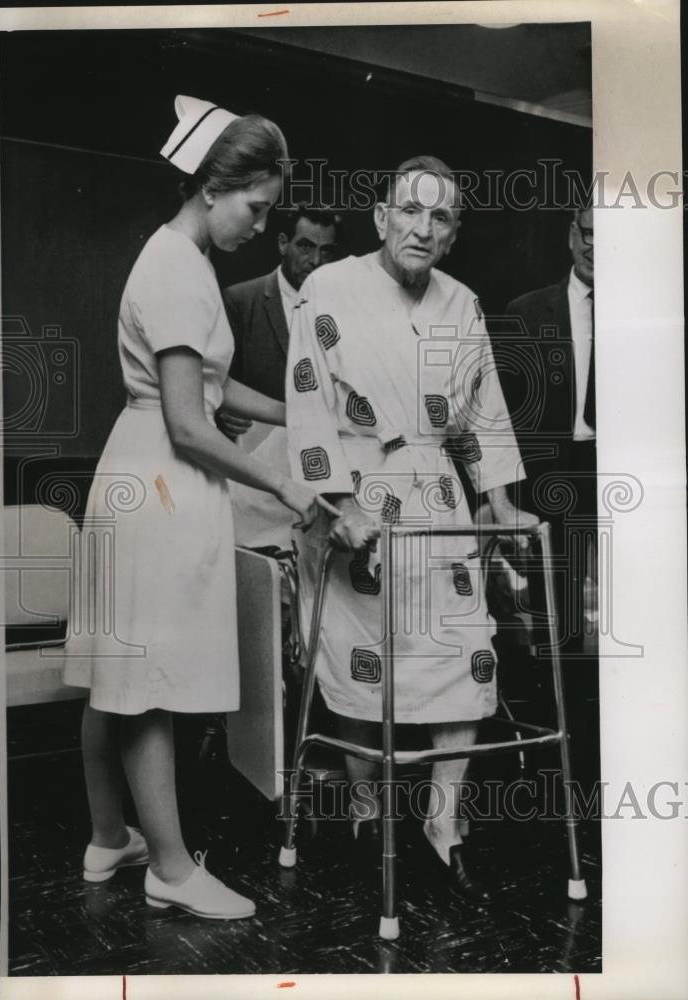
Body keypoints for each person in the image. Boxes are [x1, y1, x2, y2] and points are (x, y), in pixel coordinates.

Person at [63, 95, 337, 921]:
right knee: (147, 681)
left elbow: (215, 389)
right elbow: (191, 423)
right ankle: (173, 871)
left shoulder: (177, 258)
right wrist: (286, 484)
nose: (260, 225)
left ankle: (111, 837)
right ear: (216, 186)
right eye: (256, 207)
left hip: (137, 467)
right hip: (161, 476)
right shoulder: (178, 269)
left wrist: (297, 413)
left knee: (115, 673)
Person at [286, 156, 537, 900]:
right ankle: (366, 810)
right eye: (411, 211)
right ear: (381, 217)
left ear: (454, 233)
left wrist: (498, 502)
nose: (422, 228)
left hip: (437, 495)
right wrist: (340, 504)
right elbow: (307, 398)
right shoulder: (327, 290)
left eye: (440, 217)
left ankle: (442, 818)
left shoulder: (462, 303)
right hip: (359, 497)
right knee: (368, 662)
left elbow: (486, 414)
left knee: (465, 653)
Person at [218, 204, 341, 549]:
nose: (315, 261)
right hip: (255, 478)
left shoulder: (343, 306)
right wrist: (222, 415)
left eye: (326, 251)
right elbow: (214, 385)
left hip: (320, 473)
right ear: (283, 243)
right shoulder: (242, 300)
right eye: (305, 246)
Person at [503, 205, 596, 654]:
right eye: (589, 234)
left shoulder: (650, 315)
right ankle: (558, 712)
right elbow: (503, 412)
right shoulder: (527, 312)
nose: (596, 247)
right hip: (550, 476)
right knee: (555, 613)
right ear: (571, 235)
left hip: (618, 472)